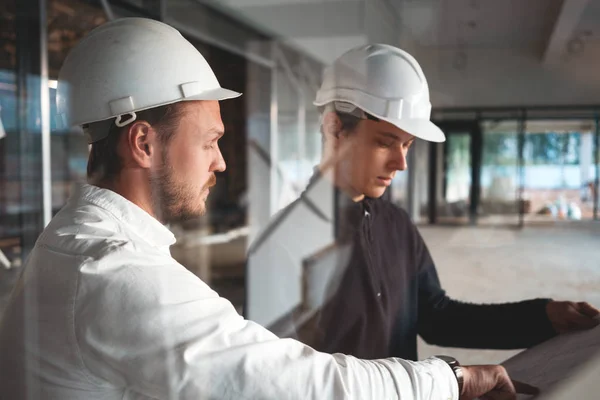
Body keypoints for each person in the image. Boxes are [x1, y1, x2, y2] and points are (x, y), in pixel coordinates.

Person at [0, 18, 533, 400]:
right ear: (143, 143)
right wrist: (451, 380)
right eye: (209, 141)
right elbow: (291, 381)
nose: (222, 163)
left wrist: (542, 316)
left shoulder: (87, 249)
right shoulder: (111, 271)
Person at [245, 44, 600, 360]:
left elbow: (437, 318)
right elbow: (277, 379)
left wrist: (542, 317)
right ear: (335, 128)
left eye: (408, 145)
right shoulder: (282, 246)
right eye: (385, 142)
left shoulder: (396, 225)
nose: (401, 163)